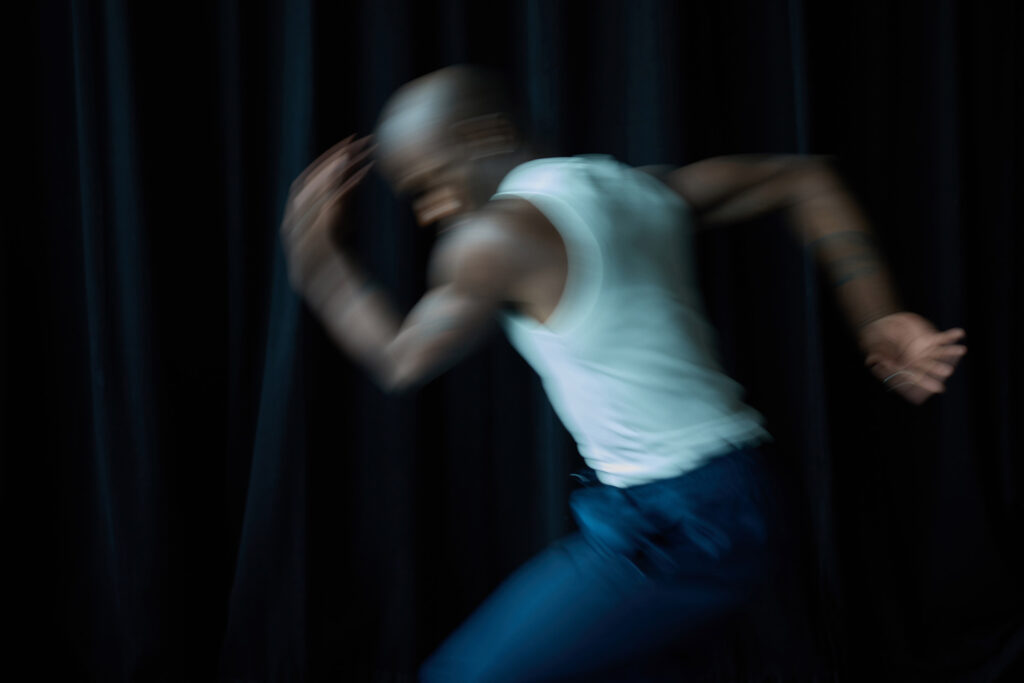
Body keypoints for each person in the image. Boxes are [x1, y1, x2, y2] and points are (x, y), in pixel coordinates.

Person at [280, 65, 967, 681]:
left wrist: (318, 263)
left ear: (486, 133)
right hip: (728, 495)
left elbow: (402, 358)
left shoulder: (493, 239)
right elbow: (801, 177)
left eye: (432, 183)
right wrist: (878, 316)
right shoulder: (634, 189)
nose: (432, 211)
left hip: (684, 521)